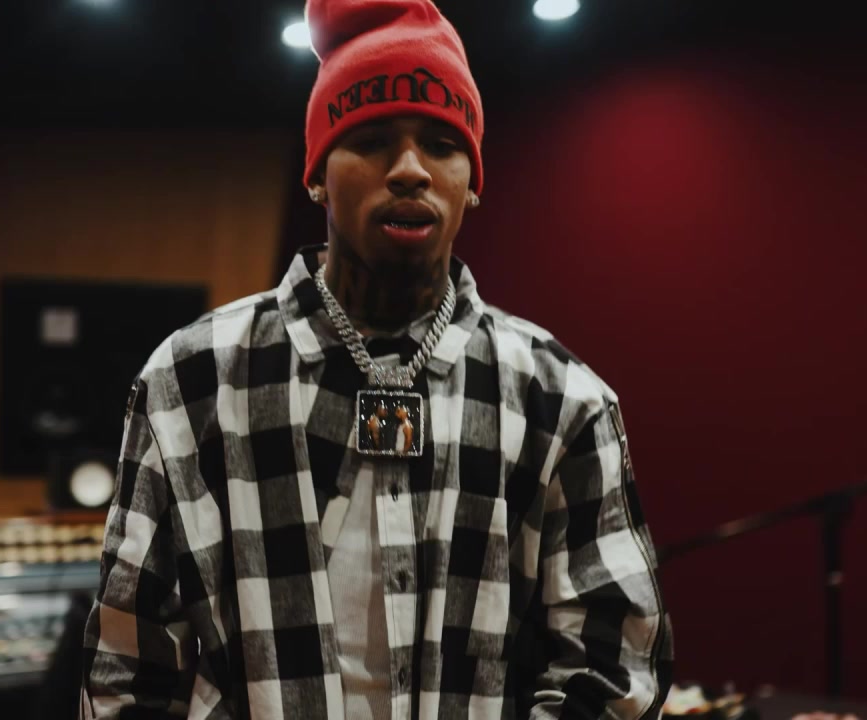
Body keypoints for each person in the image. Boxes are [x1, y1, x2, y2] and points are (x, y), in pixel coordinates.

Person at [79, 0, 673, 717]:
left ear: (472, 182)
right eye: (371, 140)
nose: (411, 170)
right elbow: (130, 673)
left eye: (442, 144)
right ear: (317, 175)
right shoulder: (192, 381)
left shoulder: (562, 401)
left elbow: (612, 671)